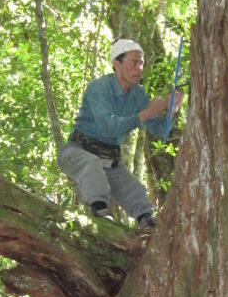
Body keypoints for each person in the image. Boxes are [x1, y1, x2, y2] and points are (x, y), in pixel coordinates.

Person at [58, 38, 184, 227]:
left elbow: (160, 132)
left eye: (141, 63)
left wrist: (172, 109)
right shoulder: (98, 88)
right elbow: (110, 126)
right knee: (91, 164)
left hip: (109, 161)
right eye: (134, 62)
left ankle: (146, 224)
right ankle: (100, 211)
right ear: (116, 64)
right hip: (76, 153)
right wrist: (146, 112)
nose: (139, 68)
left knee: (135, 189)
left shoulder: (138, 94)